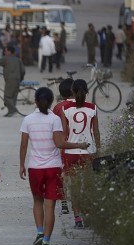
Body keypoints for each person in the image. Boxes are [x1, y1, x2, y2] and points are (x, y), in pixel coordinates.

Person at [19, 87, 89, 245]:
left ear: (35, 101)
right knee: (49, 205)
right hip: (53, 168)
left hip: (35, 168)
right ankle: (47, 241)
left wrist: (22, 164)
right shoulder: (54, 119)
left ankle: (39, 233)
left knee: (37, 201)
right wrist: (79, 144)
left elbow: (23, 145)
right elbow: (60, 144)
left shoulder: (28, 120)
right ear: (51, 102)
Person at [60, 79, 100, 229]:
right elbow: (96, 131)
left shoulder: (65, 109)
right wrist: (99, 149)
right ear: (87, 91)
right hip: (89, 151)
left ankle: (77, 219)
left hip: (71, 151)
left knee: (75, 186)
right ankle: (88, 215)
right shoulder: (93, 108)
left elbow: (65, 133)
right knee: (88, 185)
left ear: (72, 91)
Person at [51, 78, 75, 215]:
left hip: (63, 146)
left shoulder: (58, 107)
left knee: (63, 175)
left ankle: (64, 201)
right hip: (80, 145)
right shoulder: (85, 105)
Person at [0, 45, 25, 117]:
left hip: (10, 80)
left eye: (6, 51)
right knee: (13, 96)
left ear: (9, 52)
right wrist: (21, 78)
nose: (4, 52)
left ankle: (13, 110)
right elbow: (23, 70)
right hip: (17, 79)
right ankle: (10, 112)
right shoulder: (18, 59)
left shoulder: (6, 58)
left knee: (7, 96)